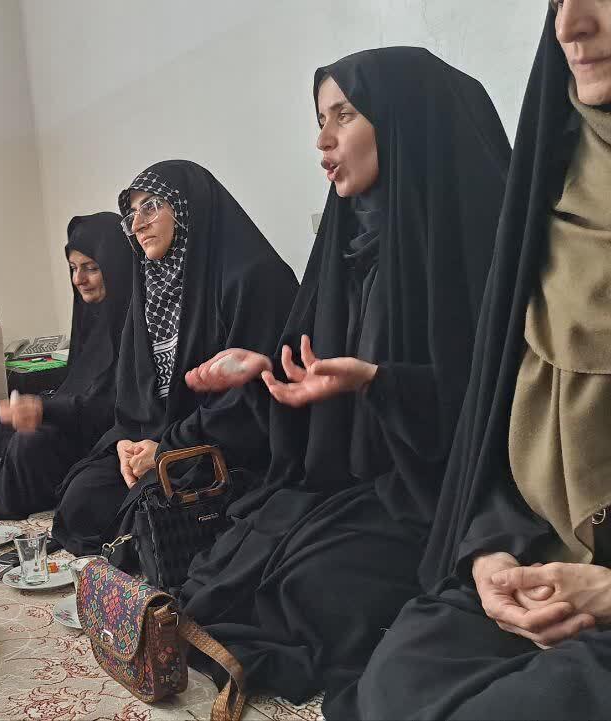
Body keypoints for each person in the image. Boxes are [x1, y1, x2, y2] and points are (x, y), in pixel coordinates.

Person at [175, 47, 510, 713]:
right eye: (320, 120)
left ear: (403, 120)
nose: (323, 140)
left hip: (440, 497)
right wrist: (264, 371)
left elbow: (491, 404)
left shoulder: (477, 242)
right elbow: (314, 390)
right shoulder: (346, 246)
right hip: (356, 482)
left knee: (313, 587)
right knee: (231, 554)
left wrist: (378, 382)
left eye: (345, 115)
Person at [349, 4, 611, 717]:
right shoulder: (546, 201)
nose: (569, 26)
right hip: (544, 554)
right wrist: (491, 553)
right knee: (399, 673)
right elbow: (499, 421)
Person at [51, 160, 298, 557]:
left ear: (186, 206)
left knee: (149, 512)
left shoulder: (253, 277)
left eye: (151, 206)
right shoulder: (148, 290)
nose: (138, 224)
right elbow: (132, 396)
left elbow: (253, 400)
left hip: (222, 448)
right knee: (82, 499)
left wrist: (168, 449)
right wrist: (128, 443)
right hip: (162, 442)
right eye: (132, 213)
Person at [0, 212, 133, 520]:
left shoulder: (136, 322)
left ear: (115, 266)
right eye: (73, 268)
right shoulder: (91, 315)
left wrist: (46, 408)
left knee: (28, 442)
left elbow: (115, 405)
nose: (78, 280)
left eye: (91, 268)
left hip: (112, 442)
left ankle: (17, 523)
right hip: (79, 425)